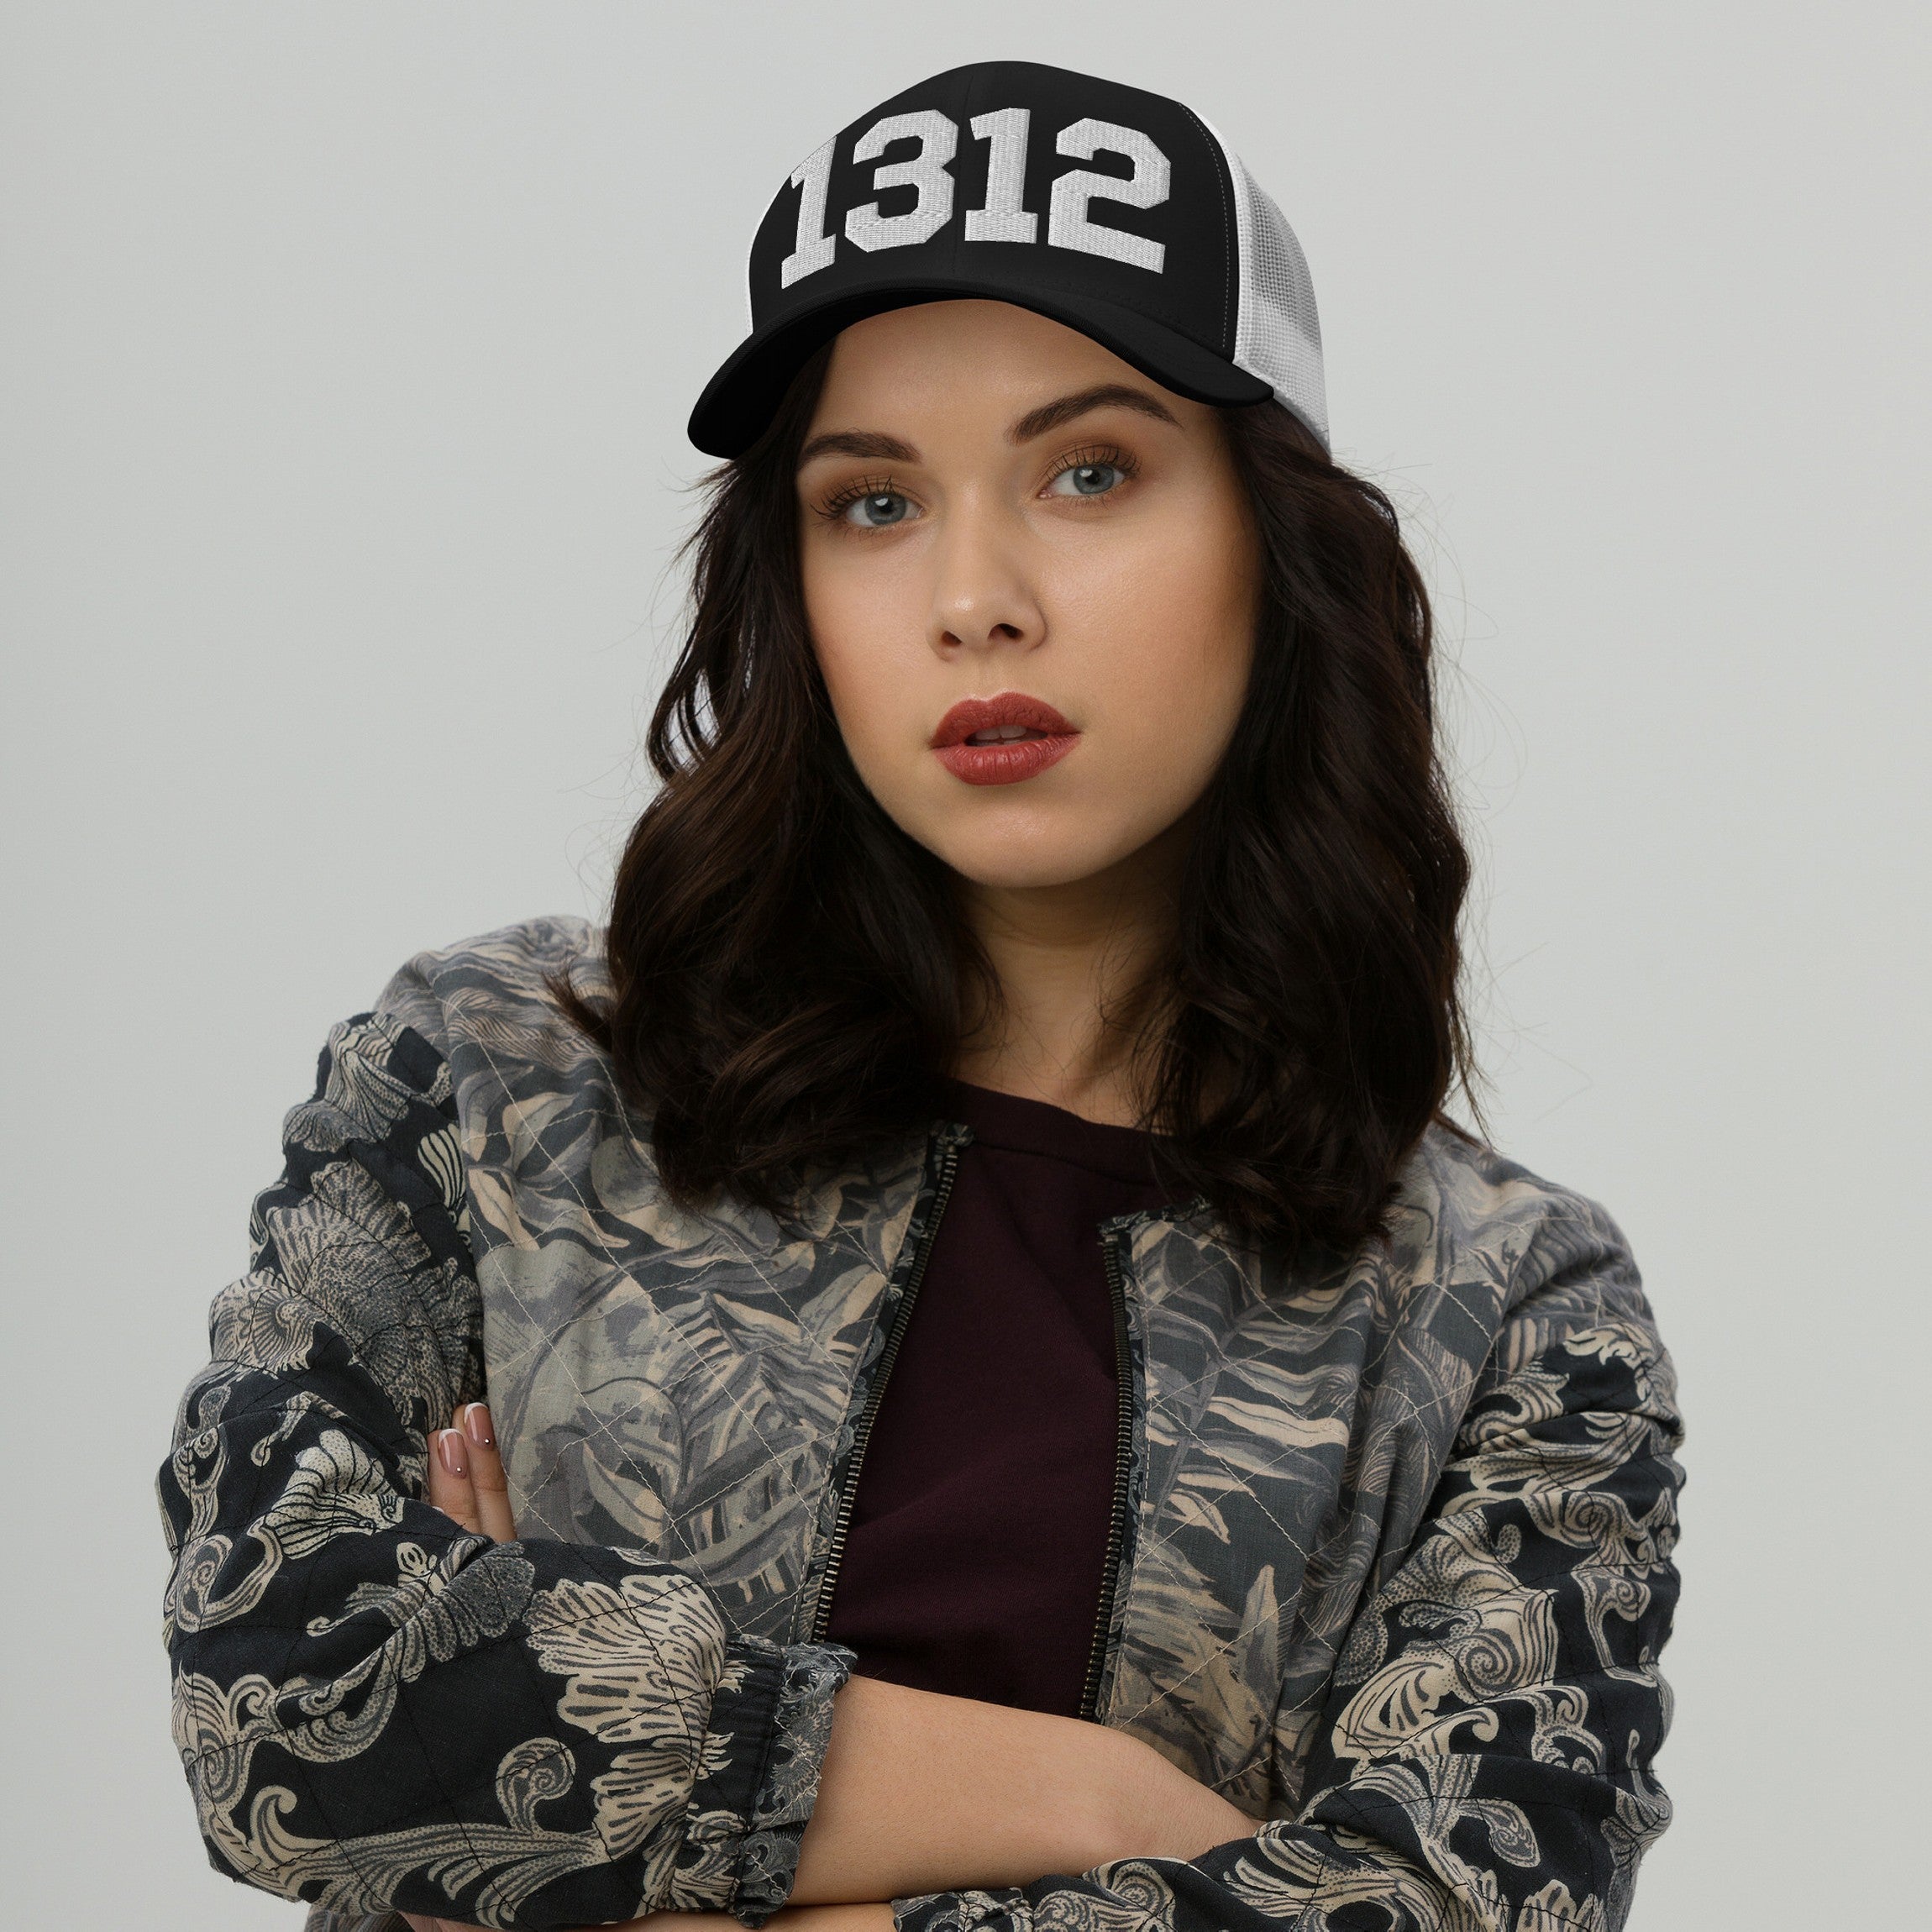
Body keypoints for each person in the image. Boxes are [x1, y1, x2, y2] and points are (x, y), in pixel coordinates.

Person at [159, 60, 1683, 1932]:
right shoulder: (493, 1086)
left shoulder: (1501, 1311)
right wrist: (1111, 1800)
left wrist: (605, 1824)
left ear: (1278, 548)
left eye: (1091, 471)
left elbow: (1458, 1900)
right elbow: (288, 1699)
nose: (974, 596)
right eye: (871, 502)